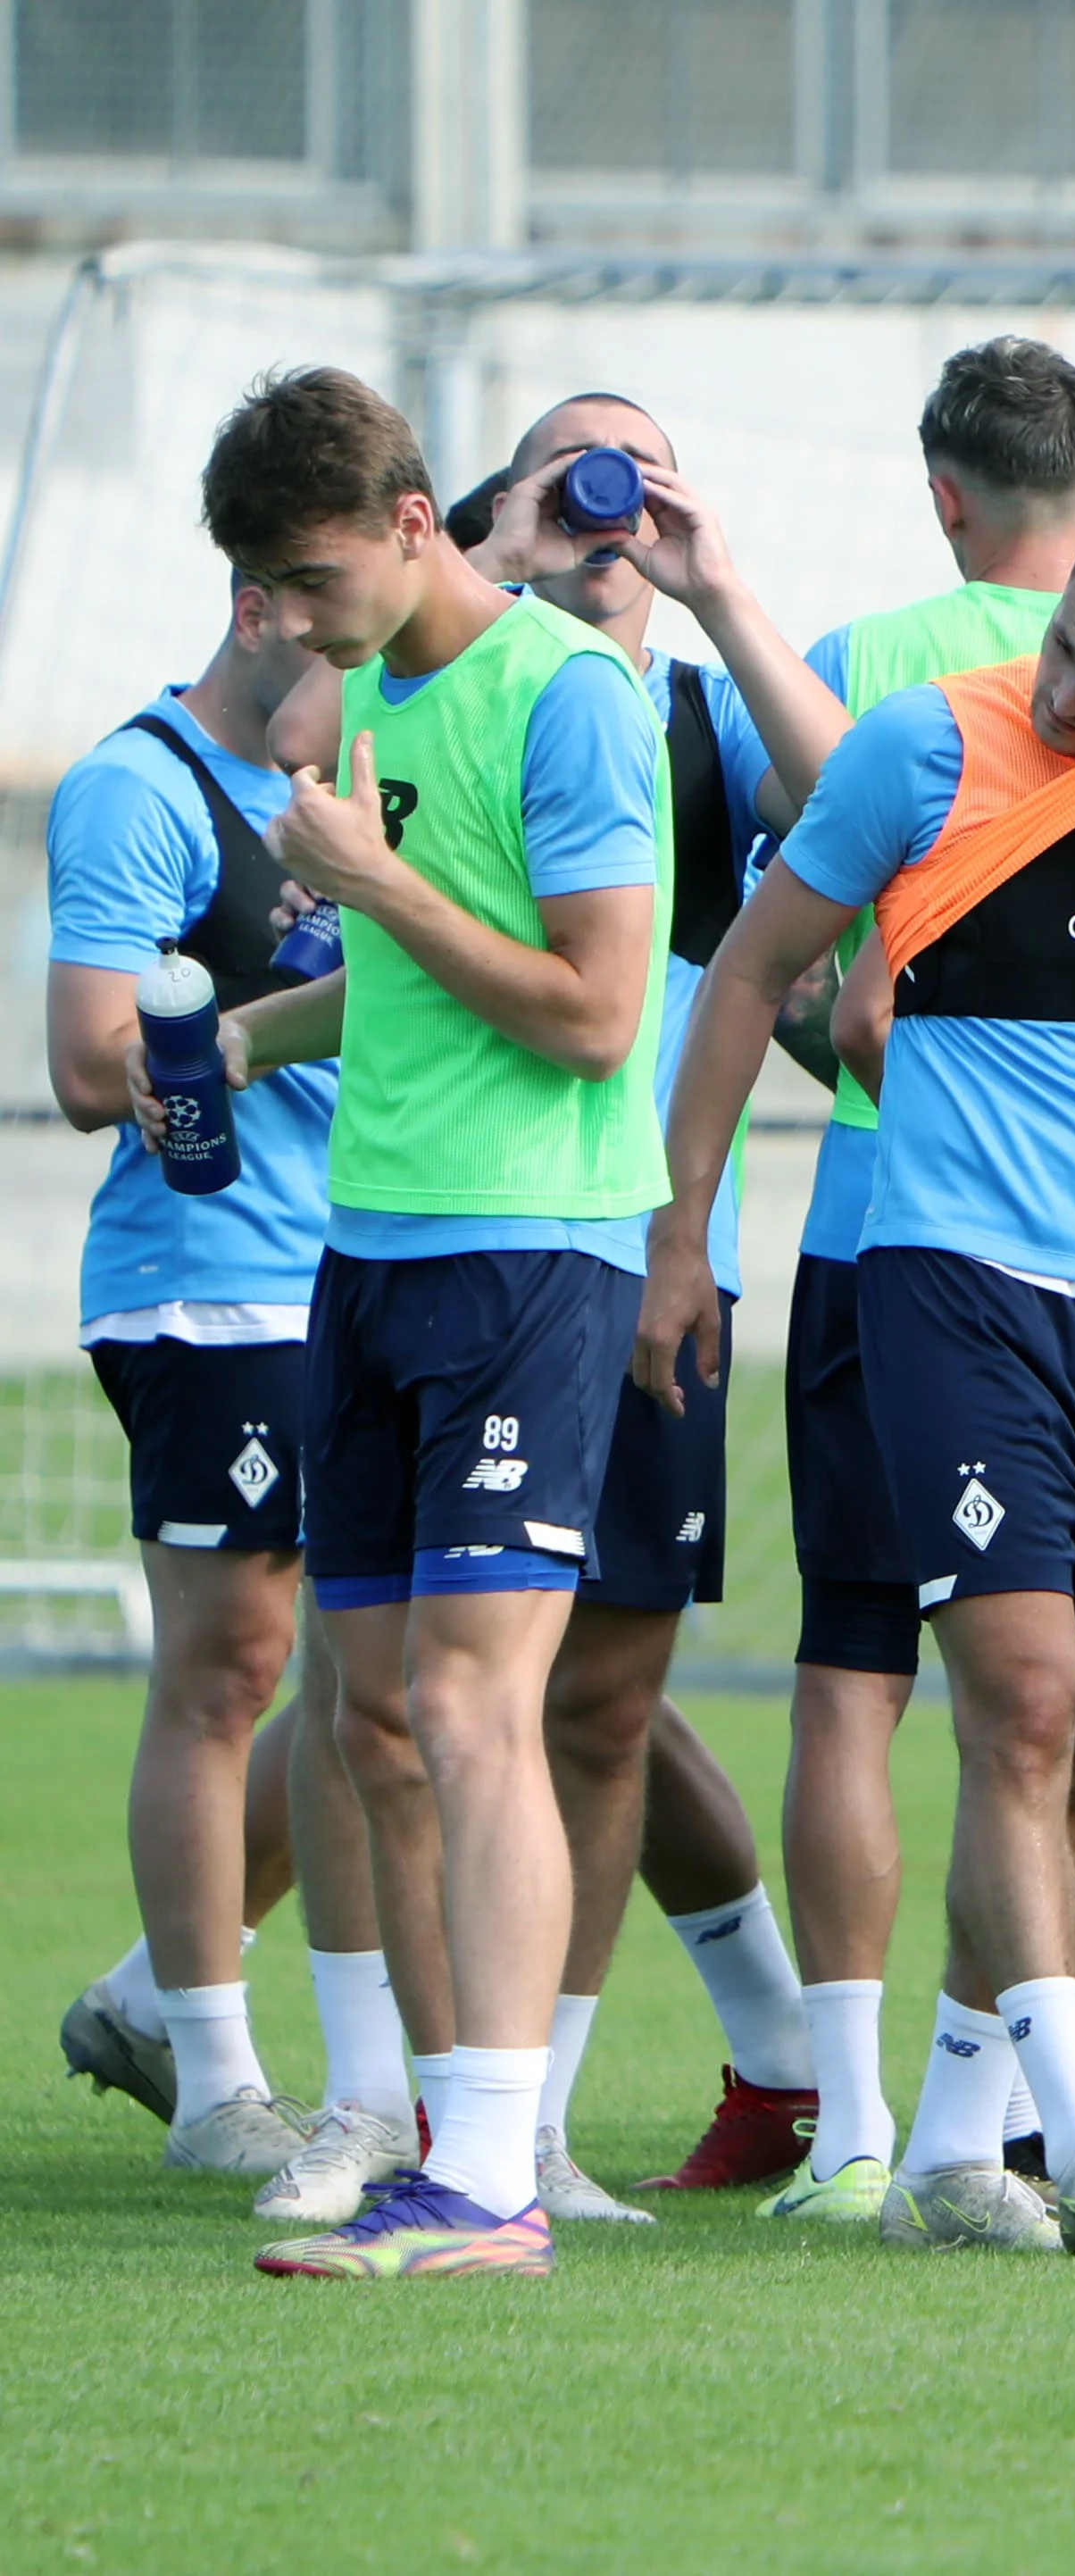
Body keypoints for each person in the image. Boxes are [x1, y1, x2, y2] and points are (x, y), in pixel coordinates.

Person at [644, 500, 1075, 2256]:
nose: (1066, 688)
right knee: (1022, 1703)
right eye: (1065, 647)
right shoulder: (925, 744)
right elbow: (749, 972)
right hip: (954, 1287)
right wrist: (680, 1232)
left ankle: (958, 2144)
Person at [193, 366, 677, 2280]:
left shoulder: (572, 695)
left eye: (308, 580)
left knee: (482, 1706)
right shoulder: (386, 693)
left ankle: (494, 2177)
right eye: (261, 590)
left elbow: (595, 1011)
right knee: (373, 1710)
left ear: (411, 523)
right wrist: (248, 1031)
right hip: (374, 1245)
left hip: (530, 1250)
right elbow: (402, 975)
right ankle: (408, 2127)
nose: (288, 626)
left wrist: (372, 877)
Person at [445, 391, 848, 2222]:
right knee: (409, 1686)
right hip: (452, 1233)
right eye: (574, 465)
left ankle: (525, 2122)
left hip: (650, 1251)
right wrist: (503, 556)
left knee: (600, 1698)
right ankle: (389, 2091)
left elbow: (858, 806)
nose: (612, 498)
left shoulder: (691, 718)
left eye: (640, 467)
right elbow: (301, 733)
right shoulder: (450, 668)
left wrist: (718, 589)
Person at [755, 338, 1075, 2226]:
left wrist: (905, 1074)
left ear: (944, 491)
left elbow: (799, 976)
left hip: (880, 1250)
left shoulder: (857, 665)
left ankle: (861, 2125)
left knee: (852, 1680)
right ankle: (1040, 2096)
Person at [46, 573, 393, 2188]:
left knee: (365, 1681)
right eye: (342, 642)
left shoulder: (378, 773)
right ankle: (214, 2077)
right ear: (261, 610)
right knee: (234, 1665)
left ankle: (140, 1997)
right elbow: (84, 1060)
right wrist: (220, 1042)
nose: (367, 674)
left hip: (377, 1263)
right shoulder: (143, 785)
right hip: (212, 1287)